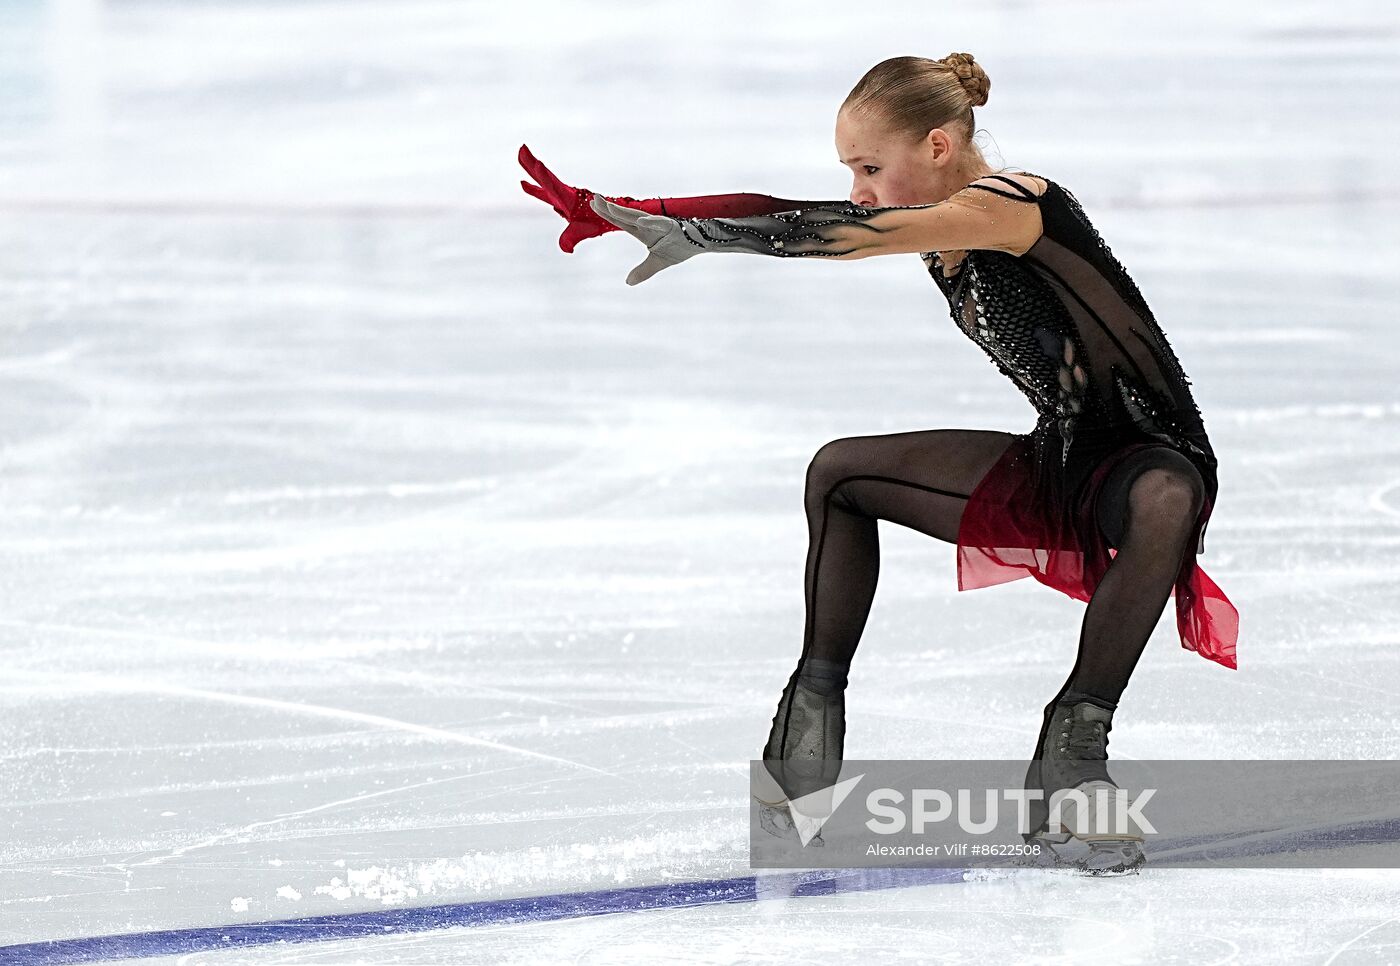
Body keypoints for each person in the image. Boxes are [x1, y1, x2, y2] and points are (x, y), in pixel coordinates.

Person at [520, 52, 1239, 873]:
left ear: (937, 145)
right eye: (851, 170)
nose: (858, 188)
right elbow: (794, 211)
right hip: (1064, 459)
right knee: (839, 474)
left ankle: (1072, 759)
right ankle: (804, 747)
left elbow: (855, 234)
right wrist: (637, 212)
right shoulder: (942, 227)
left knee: (1164, 497)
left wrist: (700, 233)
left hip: (1149, 460)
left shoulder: (1018, 204)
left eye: (870, 166)